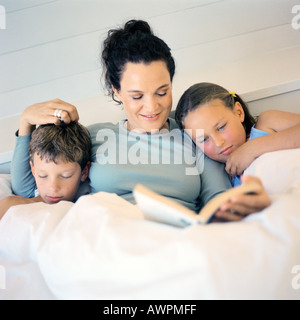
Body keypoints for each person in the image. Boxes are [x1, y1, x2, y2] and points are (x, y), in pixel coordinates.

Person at [10, 20, 270, 222]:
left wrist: (240, 205)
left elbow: (218, 198)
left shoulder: (193, 134)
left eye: (162, 92)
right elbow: (28, 188)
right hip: (107, 238)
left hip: (177, 242)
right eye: (137, 96)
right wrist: (25, 125)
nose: (153, 107)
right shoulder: (97, 137)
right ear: (117, 91)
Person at [175, 81, 300, 187]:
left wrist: (253, 148)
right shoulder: (225, 179)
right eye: (203, 139)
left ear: (239, 112)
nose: (218, 143)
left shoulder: (267, 123)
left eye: (221, 127)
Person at [0, 122, 91, 219]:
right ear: (33, 170)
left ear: (84, 171)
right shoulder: (11, 207)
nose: (53, 188)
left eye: (66, 176)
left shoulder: (89, 212)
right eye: (42, 175)